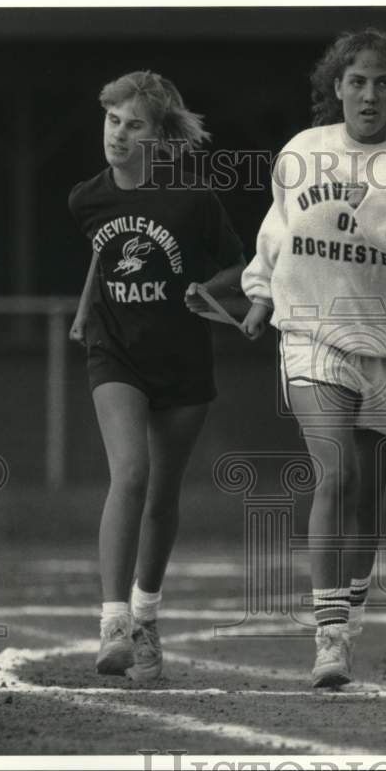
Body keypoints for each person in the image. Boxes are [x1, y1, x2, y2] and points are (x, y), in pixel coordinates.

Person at [241, 29, 386, 687]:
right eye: (357, 81)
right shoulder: (302, 155)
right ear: (334, 86)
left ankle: (355, 589)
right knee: (334, 475)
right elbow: (276, 234)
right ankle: (331, 639)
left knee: (366, 494)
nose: (369, 94)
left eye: (383, 82)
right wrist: (258, 294)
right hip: (314, 332)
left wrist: (369, 207)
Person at [68, 70, 245, 680]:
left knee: (163, 497)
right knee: (132, 474)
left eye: (133, 124)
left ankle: (146, 618)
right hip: (114, 354)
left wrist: (208, 287)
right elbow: (104, 258)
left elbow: (238, 267)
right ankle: (113, 624)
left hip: (183, 361)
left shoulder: (193, 201)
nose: (118, 134)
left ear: (158, 135)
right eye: (112, 120)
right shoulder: (85, 198)